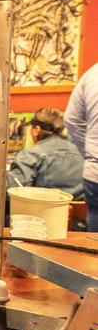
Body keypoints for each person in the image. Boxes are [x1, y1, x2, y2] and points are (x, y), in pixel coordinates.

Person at [8, 108, 83, 200]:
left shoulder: (30, 155)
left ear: (36, 130)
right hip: (82, 209)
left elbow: (13, 193)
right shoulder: (81, 152)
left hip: (43, 208)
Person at [66, 65, 98, 230]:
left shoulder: (92, 74)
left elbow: (72, 121)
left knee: (95, 240)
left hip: (95, 172)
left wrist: (91, 154)